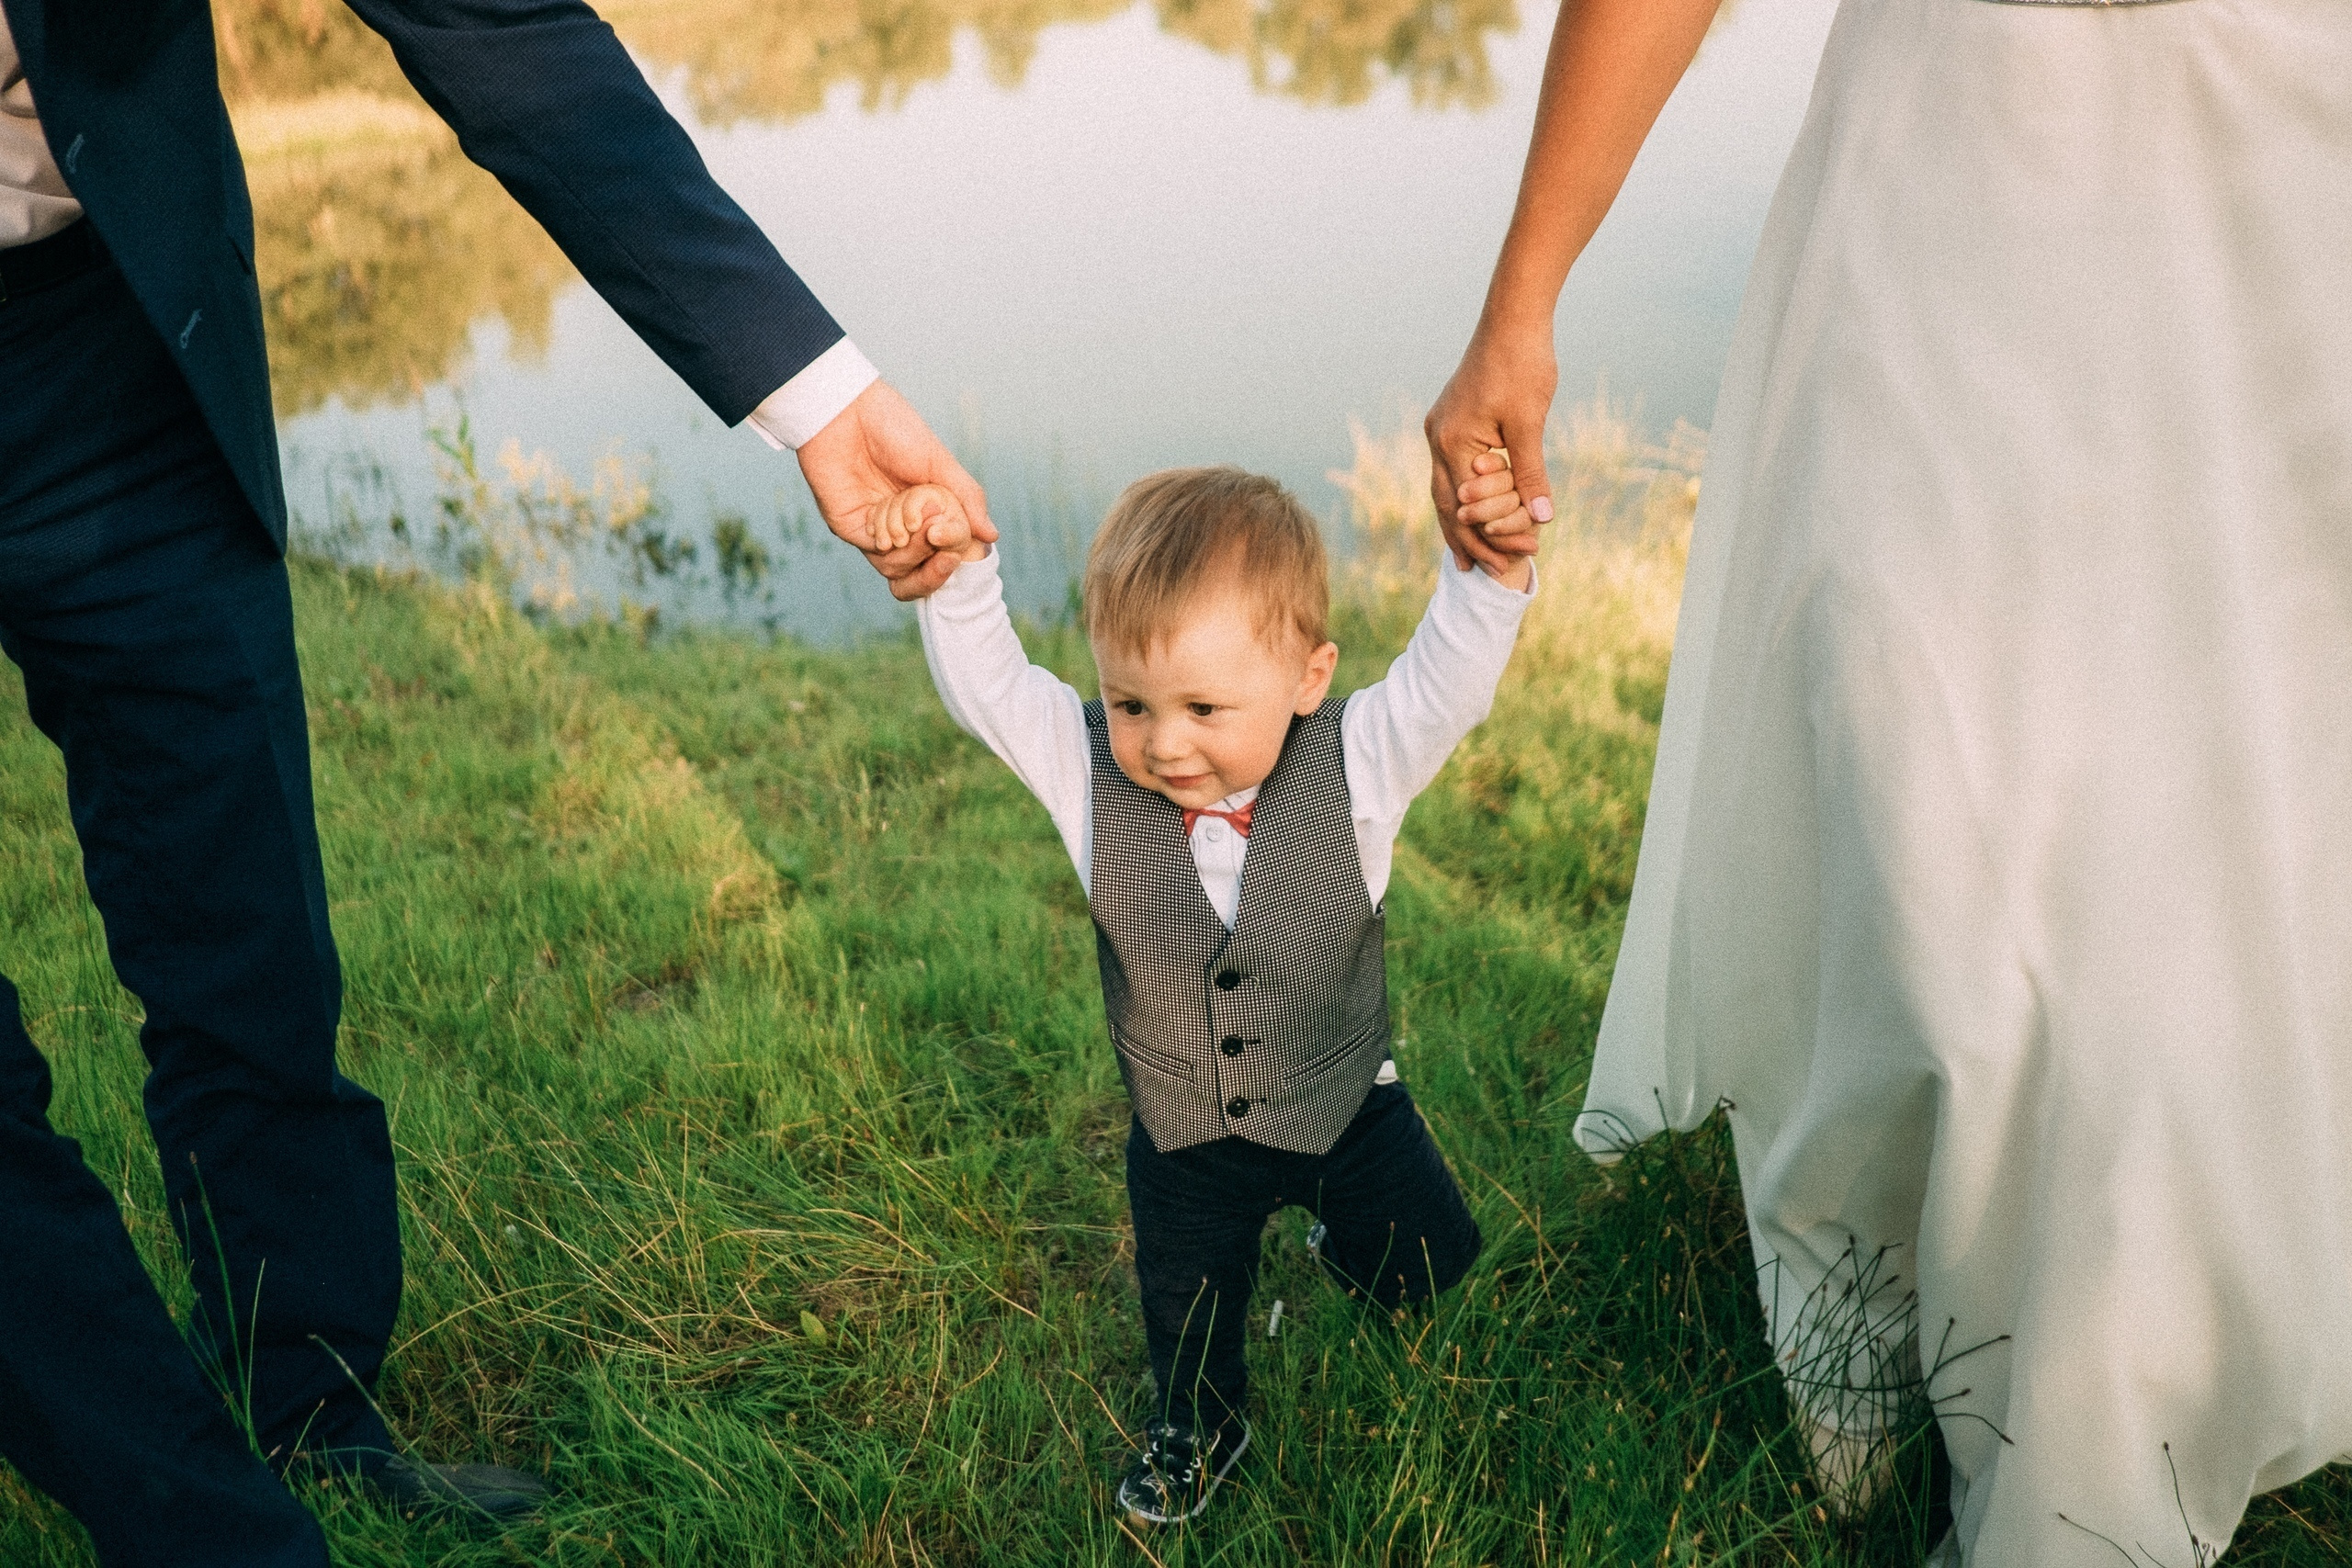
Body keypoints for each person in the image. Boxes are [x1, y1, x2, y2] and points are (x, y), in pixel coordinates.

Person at [0, 0, 990, 1562]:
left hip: (108, 322)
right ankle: (203, 1527)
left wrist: (814, 391)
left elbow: (489, 16)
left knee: (241, 920)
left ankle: (313, 1405)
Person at [1427, 0, 2352, 1561]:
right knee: (1907, 760)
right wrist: (1523, 295)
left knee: (2226, 833)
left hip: (2276, 172)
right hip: (1948, 158)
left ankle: (2122, 1377)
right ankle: (1883, 1280)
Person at [886, 464, 1532, 1521]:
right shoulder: (1088, 770)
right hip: (1186, 1135)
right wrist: (957, 579)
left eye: (1203, 707)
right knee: (1185, 1309)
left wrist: (1490, 574)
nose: (1165, 741)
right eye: (1131, 703)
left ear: (1307, 677)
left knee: (1427, 1266)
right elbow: (993, 691)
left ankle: (1345, 1245)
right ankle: (1200, 1429)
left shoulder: (1360, 760)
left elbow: (1446, 682)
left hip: (1344, 1109)